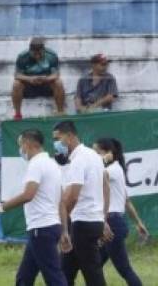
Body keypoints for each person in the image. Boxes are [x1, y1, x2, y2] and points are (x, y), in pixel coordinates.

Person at [0, 129, 67, 286]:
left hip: (41, 229)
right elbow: (61, 200)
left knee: (54, 277)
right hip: (47, 227)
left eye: (21, 145)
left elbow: (28, 195)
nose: (21, 149)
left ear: (28, 144)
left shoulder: (36, 164)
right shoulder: (52, 164)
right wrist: (63, 230)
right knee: (24, 277)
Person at [54, 120, 112, 286]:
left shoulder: (79, 160)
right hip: (92, 220)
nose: (56, 143)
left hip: (82, 222)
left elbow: (72, 196)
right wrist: (103, 218)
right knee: (65, 270)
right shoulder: (93, 156)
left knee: (92, 273)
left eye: (58, 138)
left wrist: (64, 227)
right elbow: (106, 188)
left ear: (70, 136)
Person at [93, 138, 148, 286]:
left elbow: (93, 175)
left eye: (96, 152)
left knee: (124, 269)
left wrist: (101, 161)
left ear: (108, 154)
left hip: (111, 224)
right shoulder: (115, 169)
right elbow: (127, 201)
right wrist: (139, 223)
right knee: (93, 266)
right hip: (112, 222)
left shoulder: (112, 170)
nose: (93, 156)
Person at [12, 37, 65, 120]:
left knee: (58, 83)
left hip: (46, 84)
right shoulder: (22, 57)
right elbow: (17, 75)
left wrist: (46, 79)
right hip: (29, 85)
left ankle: (60, 112)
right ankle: (17, 114)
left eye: (39, 54)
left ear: (43, 50)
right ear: (30, 51)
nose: (37, 56)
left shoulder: (51, 56)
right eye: (34, 54)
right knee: (16, 84)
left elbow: (56, 74)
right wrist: (29, 79)